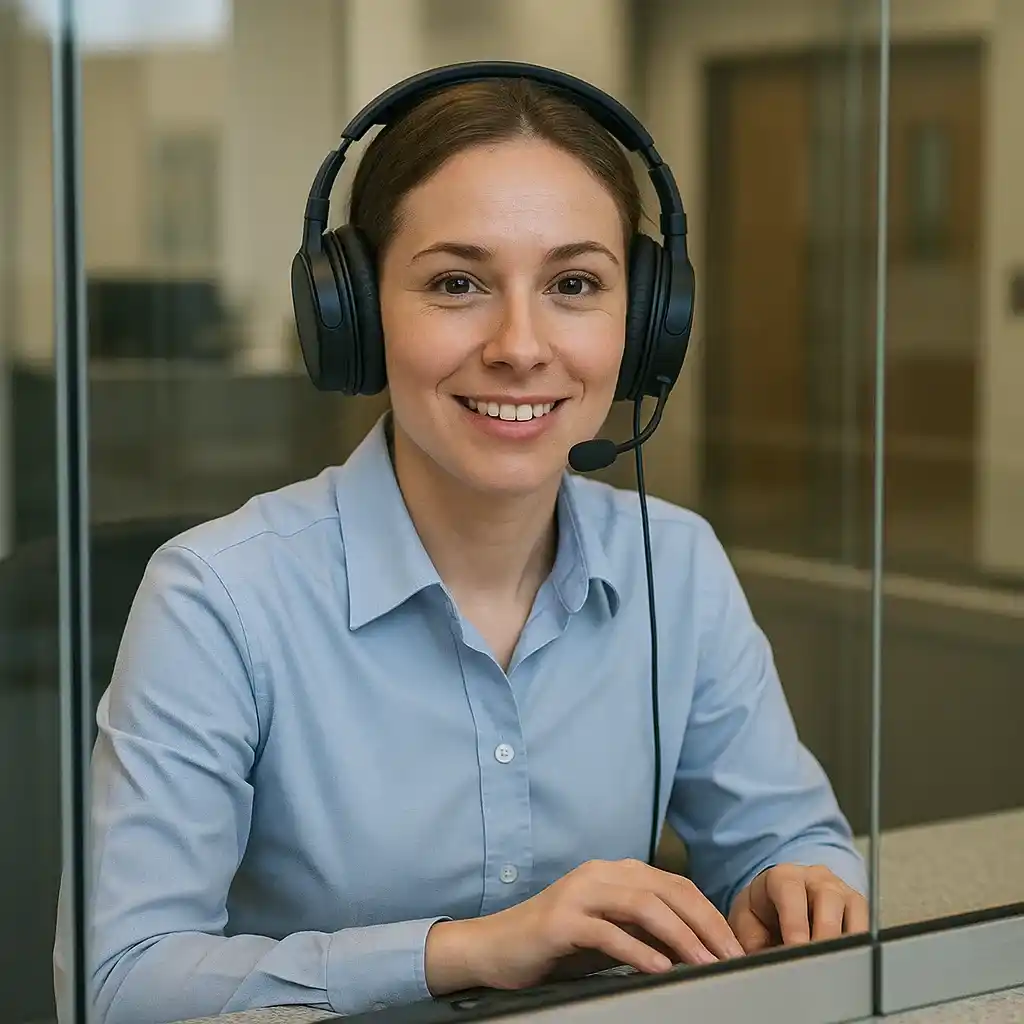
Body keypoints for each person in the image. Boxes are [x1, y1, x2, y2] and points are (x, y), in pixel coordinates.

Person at [54, 72, 867, 1024]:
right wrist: (470, 950)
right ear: (351, 317)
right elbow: (117, 986)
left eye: (574, 284)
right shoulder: (219, 597)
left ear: (645, 323)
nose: (521, 346)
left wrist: (796, 880)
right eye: (456, 283)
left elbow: (785, 835)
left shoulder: (672, 565)